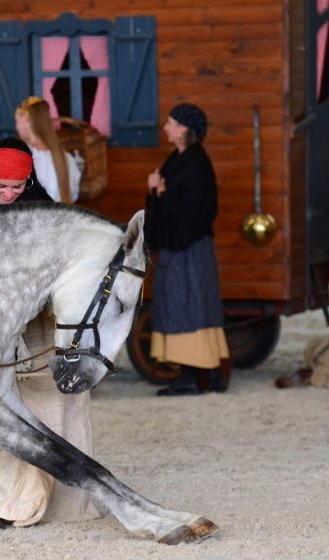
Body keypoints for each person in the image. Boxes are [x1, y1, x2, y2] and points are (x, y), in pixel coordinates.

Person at [0, 137, 99, 531]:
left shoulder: (42, 212)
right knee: (3, 409)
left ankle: (33, 502)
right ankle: (7, 500)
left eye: (16, 187)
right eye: (1, 186)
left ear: (28, 181)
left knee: (49, 406)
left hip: (40, 323)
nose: (8, 195)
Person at [144, 103, 230, 396]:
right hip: (178, 248)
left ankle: (192, 378)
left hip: (189, 249)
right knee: (186, 306)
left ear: (183, 129)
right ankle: (208, 375)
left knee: (190, 307)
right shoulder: (178, 159)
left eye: (170, 123)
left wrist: (161, 191)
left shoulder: (195, 163)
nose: (166, 128)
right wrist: (156, 190)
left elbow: (195, 212)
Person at [14, 96, 81, 204]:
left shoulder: (24, 158)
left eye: (17, 121)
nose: (16, 127)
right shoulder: (66, 158)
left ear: (27, 119)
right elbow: (73, 195)